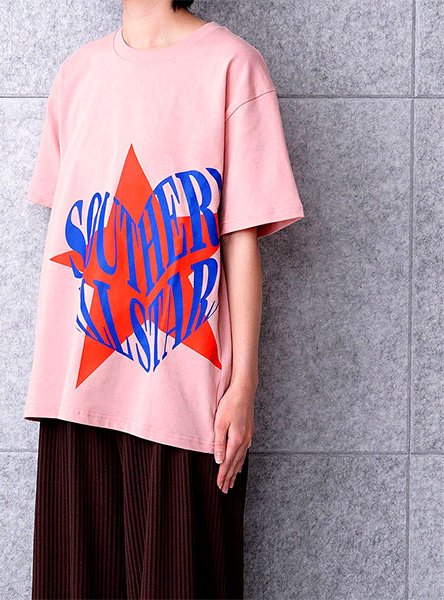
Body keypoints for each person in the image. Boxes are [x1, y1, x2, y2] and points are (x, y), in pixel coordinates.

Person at [24, 1, 305, 598]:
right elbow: (72, 232)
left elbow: (241, 237)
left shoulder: (232, 66)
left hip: (188, 398)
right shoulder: (78, 73)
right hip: (77, 393)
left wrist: (244, 385)